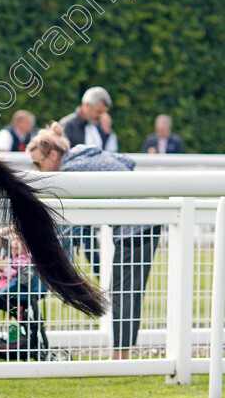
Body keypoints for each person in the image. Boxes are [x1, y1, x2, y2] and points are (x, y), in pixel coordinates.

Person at [27, 122, 161, 359]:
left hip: (138, 225)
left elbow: (71, 223)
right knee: (123, 290)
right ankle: (122, 353)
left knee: (124, 292)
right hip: (141, 220)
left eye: (39, 163)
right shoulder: (82, 152)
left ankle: (121, 356)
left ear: (54, 154)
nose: (37, 170)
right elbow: (127, 162)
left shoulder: (71, 170)